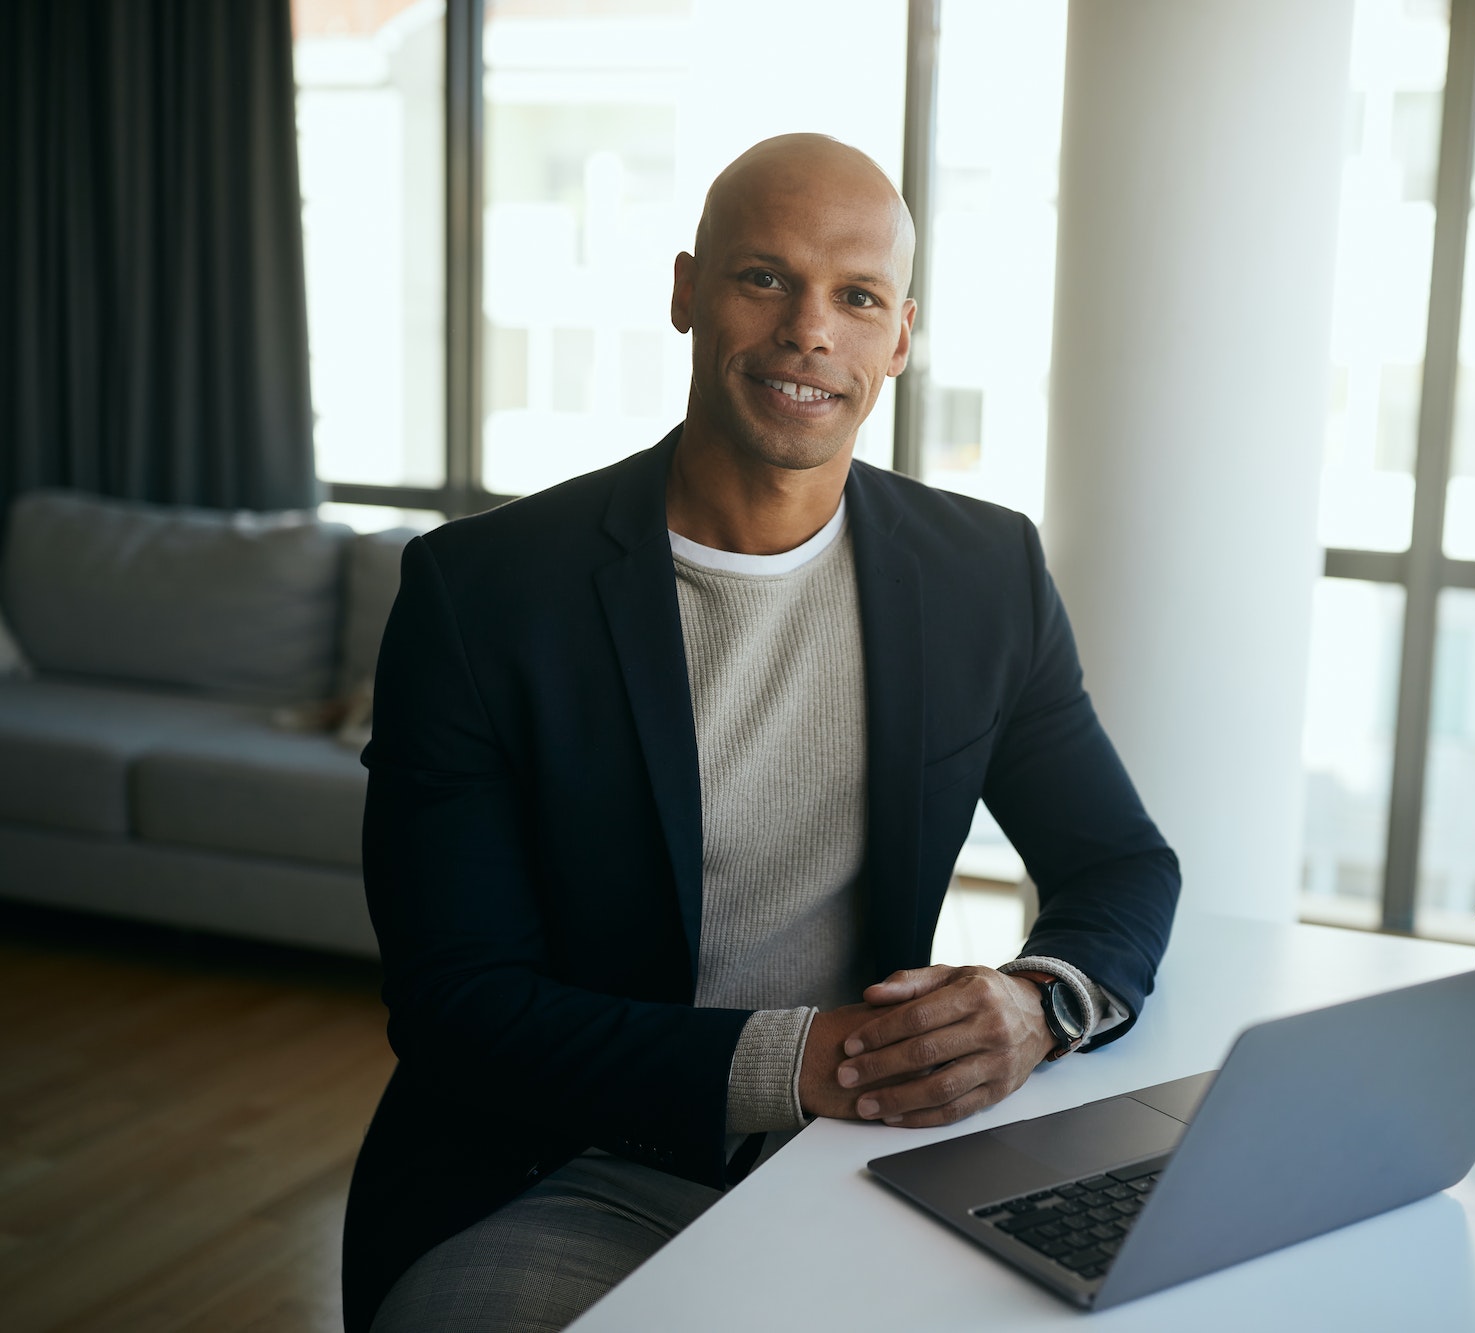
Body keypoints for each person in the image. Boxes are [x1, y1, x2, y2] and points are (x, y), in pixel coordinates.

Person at [341, 133, 1181, 1332]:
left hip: (864, 1160)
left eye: (855, 296)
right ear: (687, 291)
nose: (808, 332)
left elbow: (1119, 862)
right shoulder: (482, 595)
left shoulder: (981, 572)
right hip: (565, 1168)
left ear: (898, 337)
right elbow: (457, 1004)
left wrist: (1035, 1002)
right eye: (762, 277)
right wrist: (804, 1063)